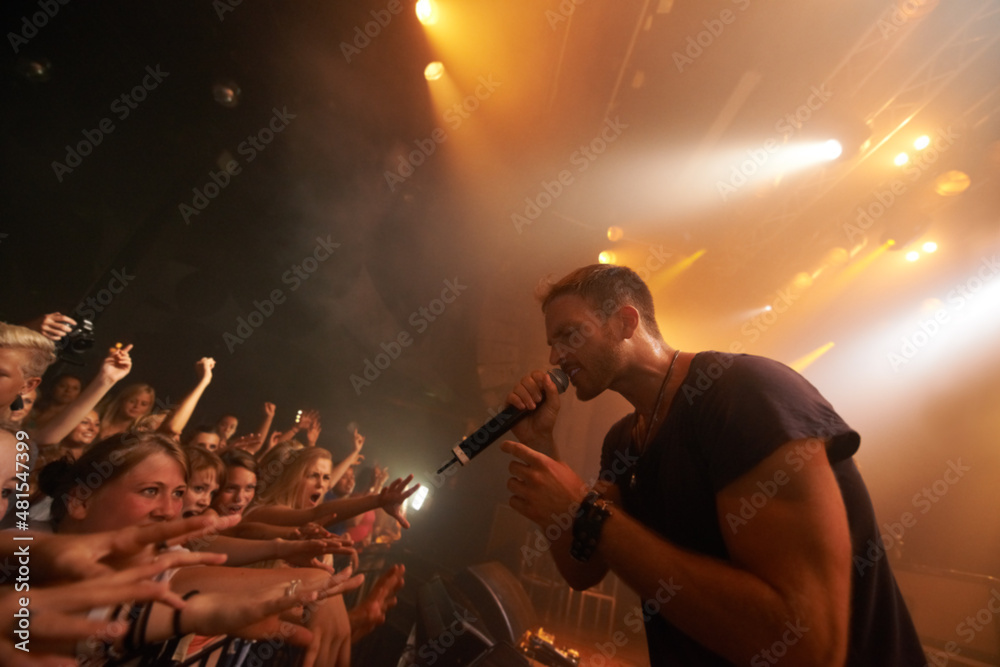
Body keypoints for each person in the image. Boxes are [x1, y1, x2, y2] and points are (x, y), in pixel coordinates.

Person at [501, 264, 926, 666]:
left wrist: (586, 511)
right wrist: (542, 446)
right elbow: (583, 567)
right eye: (552, 344)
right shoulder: (623, 441)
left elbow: (806, 645)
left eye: (569, 335)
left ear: (625, 322)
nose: (556, 357)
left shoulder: (744, 393)